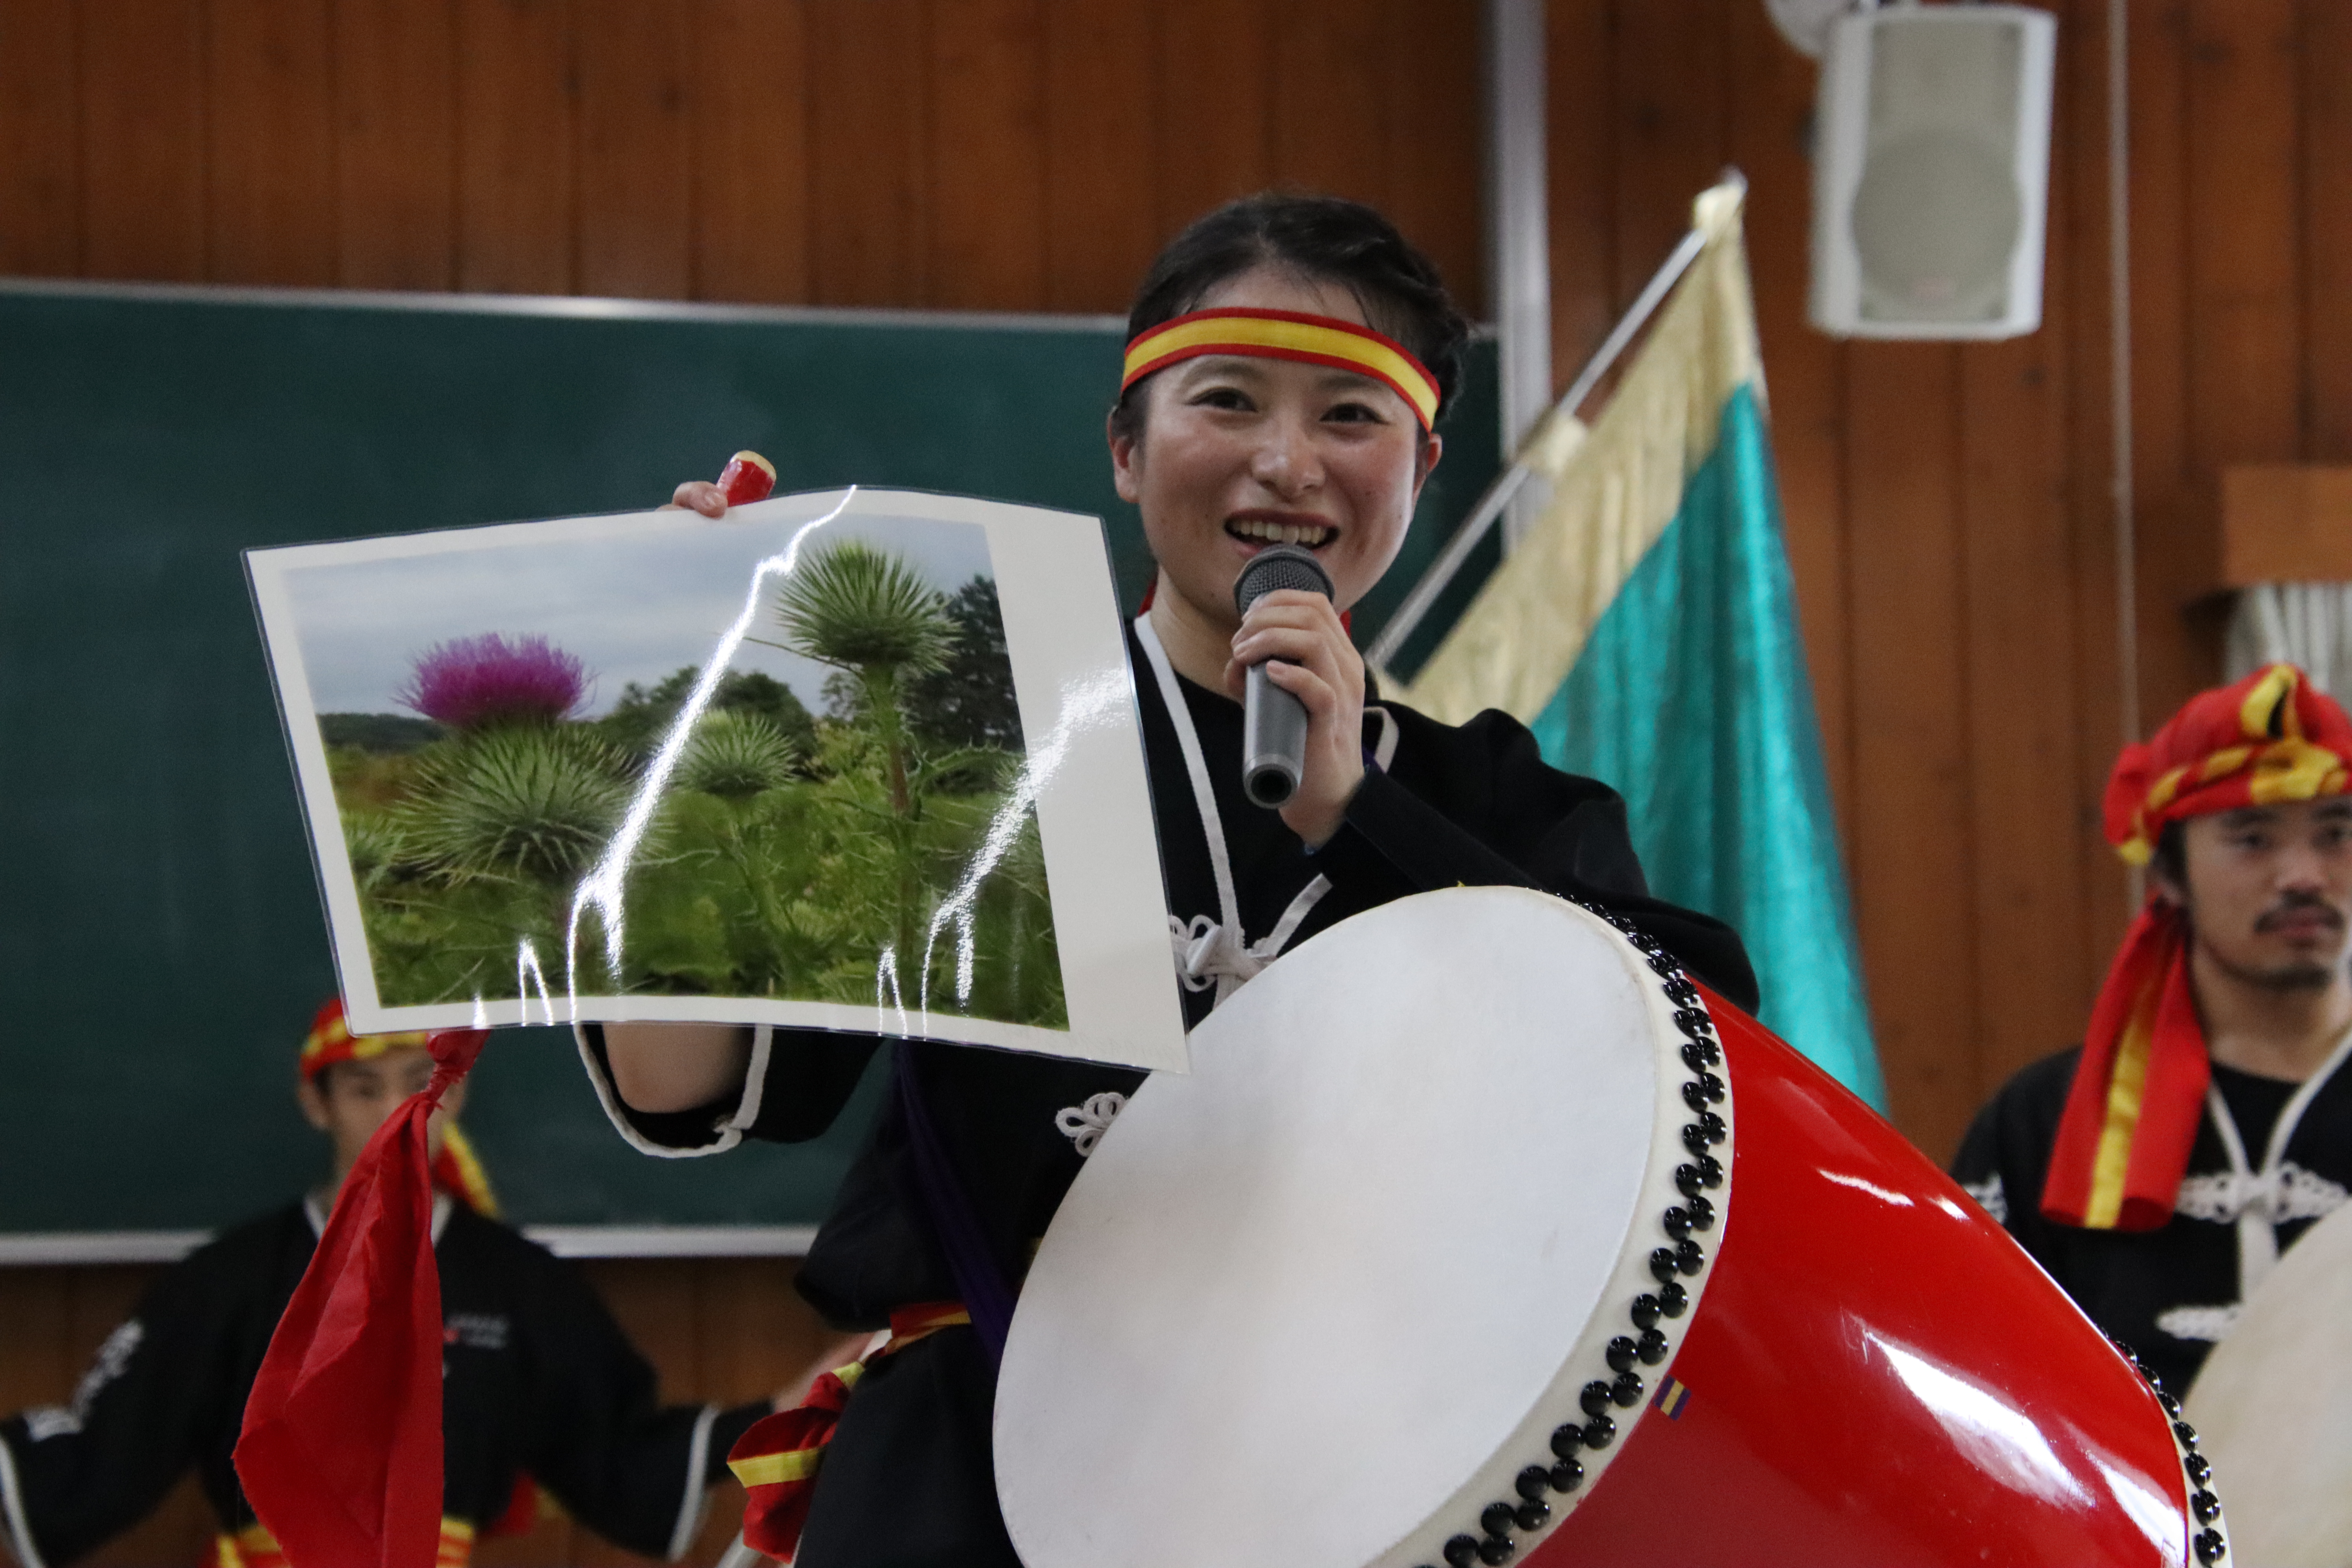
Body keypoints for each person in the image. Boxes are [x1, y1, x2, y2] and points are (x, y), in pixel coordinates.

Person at [585, 192, 1760, 1567]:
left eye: (1349, 416)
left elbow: (1690, 1061)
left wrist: (1357, 812)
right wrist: (679, 750)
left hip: (1381, 1486)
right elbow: (685, 1083)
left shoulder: (1495, 800)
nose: (1287, 463)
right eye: (1229, 401)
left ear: (1423, 466)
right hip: (978, 1471)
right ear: (1128, 452)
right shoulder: (961, 749)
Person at [0, 1000, 781, 1568]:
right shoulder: (229, 1280)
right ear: (318, 1102)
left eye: (417, 1082)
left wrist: (794, 1410)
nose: (393, 1112)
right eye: (364, 1088)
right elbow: (105, 1450)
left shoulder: (519, 1285)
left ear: (454, 1095)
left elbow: (620, 1450)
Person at [1955, 664, 2352, 1396]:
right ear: (2167, 874)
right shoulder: (2039, 1123)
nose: (2305, 874)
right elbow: (1964, 1376)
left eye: (2335, 834)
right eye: (2253, 838)